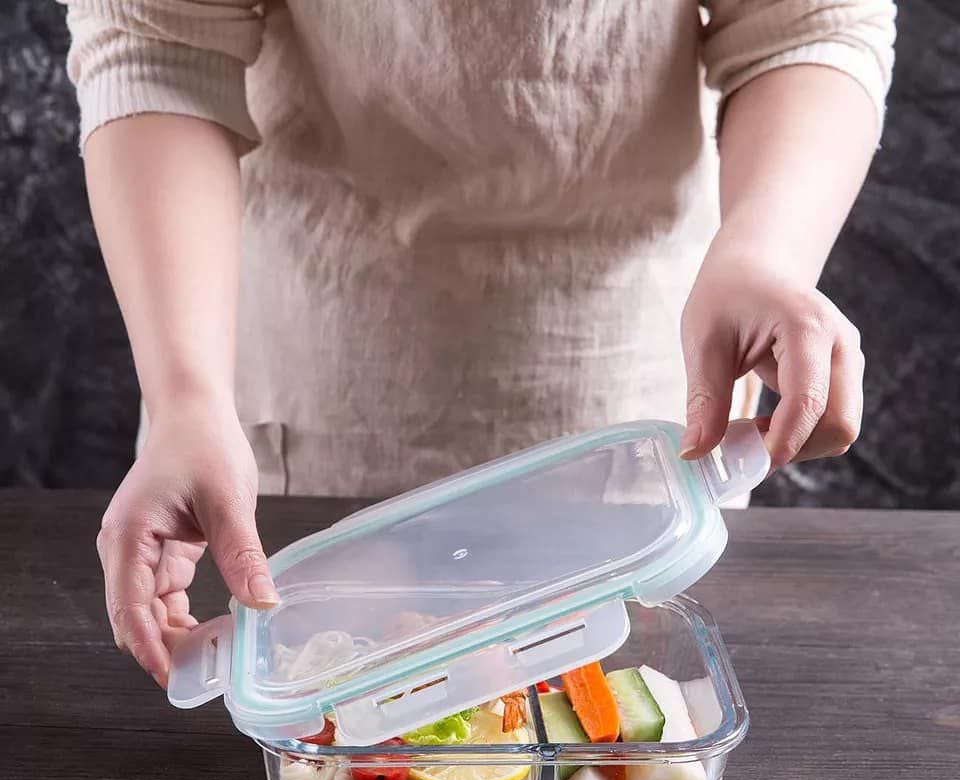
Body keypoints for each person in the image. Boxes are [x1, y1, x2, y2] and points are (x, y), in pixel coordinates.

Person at [61, 1, 896, 687]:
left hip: (636, 402)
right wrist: (186, 398)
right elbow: (156, 41)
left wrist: (764, 253)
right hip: (301, 392)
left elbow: (809, 22)